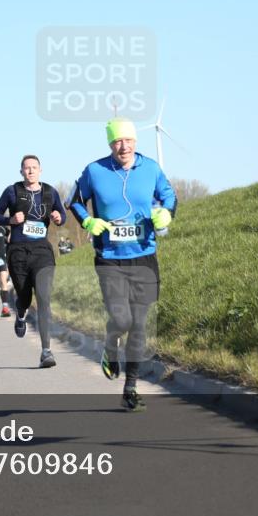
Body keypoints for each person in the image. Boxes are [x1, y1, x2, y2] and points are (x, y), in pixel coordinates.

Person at [67, 119, 176, 411]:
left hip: (144, 255)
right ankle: (110, 345)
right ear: (110, 144)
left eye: (128, 140)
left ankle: (131, 388)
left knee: (139, 324)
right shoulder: (95, 170)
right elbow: (74, 200)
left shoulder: (151, 168)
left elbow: (169, 195)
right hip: (110, 258)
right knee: (123, 319)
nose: (123, 146)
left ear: (135, 142)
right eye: (117, 141)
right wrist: (88, 220)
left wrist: (166, 213)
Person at [0, 155, 67, 368]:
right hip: (18, 251)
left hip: (42, 250)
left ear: (40, 170)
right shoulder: (11, 191)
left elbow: (62, 213)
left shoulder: (50, 191)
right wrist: (10, 220)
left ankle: (46, 351)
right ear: (21, 172)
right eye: (27, 168)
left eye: (34, 168)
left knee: (43, 298)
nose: (31, 171)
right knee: (24, 296)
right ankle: (21, 312)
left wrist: (59, 218)